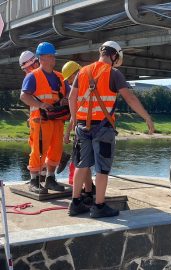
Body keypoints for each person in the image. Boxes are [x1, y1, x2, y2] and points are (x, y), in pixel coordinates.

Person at [68, 40, 155, 218]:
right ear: (114, 55)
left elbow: (71, 98)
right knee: (102, 168)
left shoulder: (83, 71)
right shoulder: (114, 73)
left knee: (81, 165)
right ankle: (99, 206)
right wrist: (147, 117)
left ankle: (75, 203)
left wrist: (75, 120)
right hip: (103, 128)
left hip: (82, 126)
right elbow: (130, 99)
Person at [20, 42, 68, 194]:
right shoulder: (32, 76)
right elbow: (24, 96)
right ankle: (34, 180)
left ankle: (50, 179)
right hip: (40, 120)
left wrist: (65, 100)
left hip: (57, 119)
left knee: (56, 149)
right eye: (49, 56)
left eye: (53, 56)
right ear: (41, 58)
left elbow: (69, 93)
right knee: (39, 150)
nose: (53, 59)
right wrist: (41, 105)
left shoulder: (60, 77)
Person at [62, 61, 95, 199]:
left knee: (83, 162)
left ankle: (87, 190)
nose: (69, 82)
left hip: (86, 128)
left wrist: (67, 132)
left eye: (70, 78)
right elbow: (74, 114)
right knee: (84, 163)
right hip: (88, 127)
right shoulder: (87, 85)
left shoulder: (81, 88)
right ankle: (89, 189)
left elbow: (74, 115)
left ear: (76, 73)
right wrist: (68, 131)